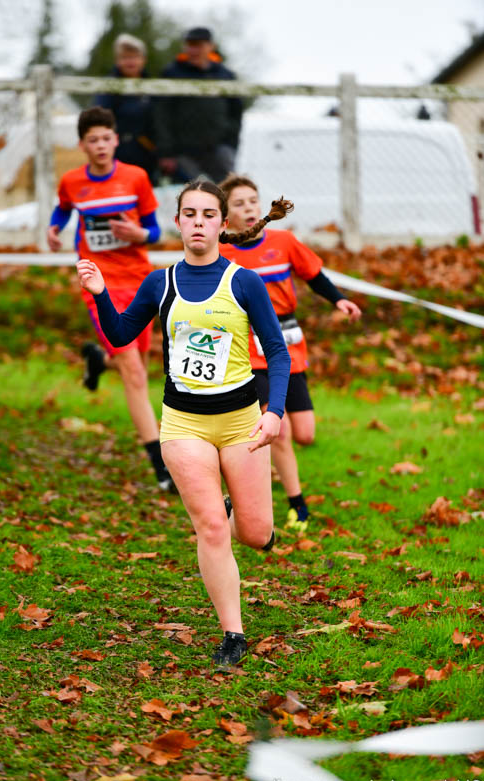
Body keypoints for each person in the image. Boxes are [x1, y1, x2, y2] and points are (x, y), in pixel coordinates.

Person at [75, 180, 292, 667]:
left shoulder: (244, 283)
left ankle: (239, 511)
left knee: (256, 533)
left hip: (241, 423)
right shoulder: (160, 283)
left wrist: (274, 412)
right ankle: (233, 634)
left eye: (208, 214)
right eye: (189, 214)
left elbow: (277, 352)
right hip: (183, 425)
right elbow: (119, 335)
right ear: (177, 223)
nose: (198, 222)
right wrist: (101, 293)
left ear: (222, 224)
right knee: (211, 527)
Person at [219, 174, 362, 530]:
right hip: (249, 350)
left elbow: (314, 275)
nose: (248, 208)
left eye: (252, 200)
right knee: (277, 430)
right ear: (226, 215)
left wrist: (339, 300)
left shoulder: (283, 242)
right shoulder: (221, 254)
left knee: (305, 434)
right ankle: (297, 505)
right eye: (238, 203)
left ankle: (256, 472)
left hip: (288, 345)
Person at [47, 105, 173, 492]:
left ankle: (98, 360)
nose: (100, 145)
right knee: (134, 372)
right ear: (82, 145)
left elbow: (154, 231)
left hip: (139, 282)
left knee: (137, 364)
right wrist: (54, 229)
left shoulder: (136, 178)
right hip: (99, 283)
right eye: (93, 140)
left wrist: (139, 235)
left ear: (116, 140)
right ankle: (162, 467)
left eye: (106, 138)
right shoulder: (72, 182)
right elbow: (62, 209)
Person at [154, 27, 243, 183]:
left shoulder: (225, 75)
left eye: (198, 45)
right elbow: (161, 114)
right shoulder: (172, 73)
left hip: (219, 150)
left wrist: (229, 145)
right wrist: (166, 152)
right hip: (183, 153)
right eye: (190, 45)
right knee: (191, 194)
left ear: (211, 46)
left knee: (228, 191)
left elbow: (236, 112)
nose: (193, 50)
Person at [94, 34, 158, 183]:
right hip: (116, 154)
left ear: (143, 59)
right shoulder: (108, 87)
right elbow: (101, 120)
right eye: (125, 57)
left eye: (134, 57)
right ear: (117, 60)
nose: (130, 62)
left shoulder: (152, 87)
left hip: (147, 154)